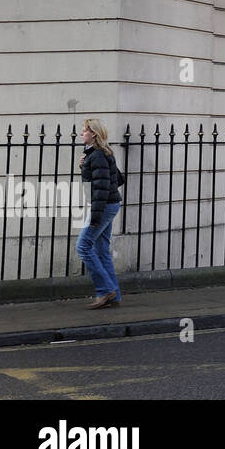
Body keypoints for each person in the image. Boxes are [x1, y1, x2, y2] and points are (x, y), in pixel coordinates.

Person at [76, 117, 123, 309]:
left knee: (83, 246)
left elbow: (101, 189)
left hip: (103, 207)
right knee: (101, 250)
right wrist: (83, 166)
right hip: (108, 205)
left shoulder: (98, 155)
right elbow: (117, 179)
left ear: (93, 134)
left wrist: (95, 217)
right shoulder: (99, 154)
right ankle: (114, 295)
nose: (82, 133)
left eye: (85, 131)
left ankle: (105, 290)